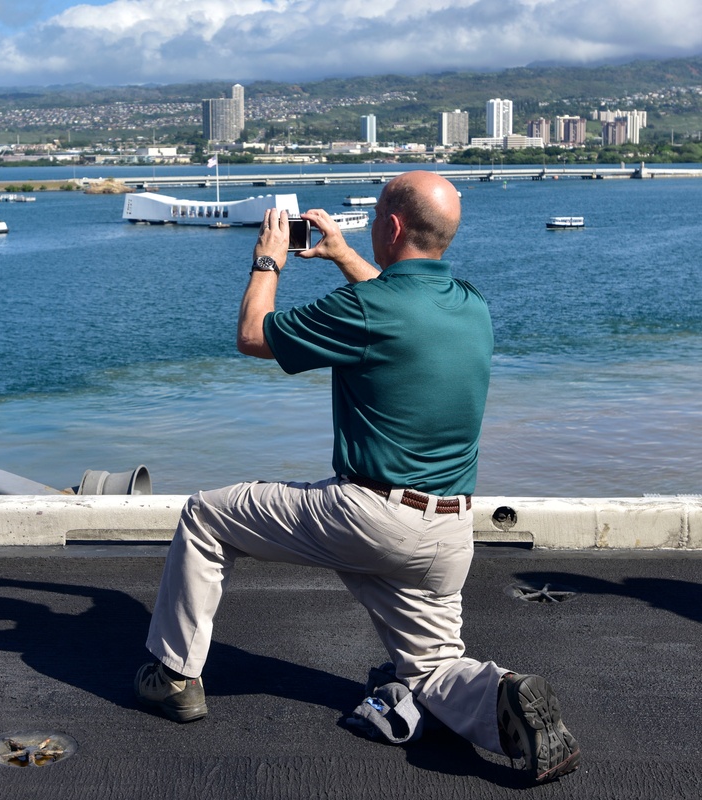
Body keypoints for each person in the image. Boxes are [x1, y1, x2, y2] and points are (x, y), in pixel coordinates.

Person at [133, 171, 580, 784]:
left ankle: (173, 674)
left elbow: (252, 335)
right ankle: (502, 694)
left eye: (372, 218)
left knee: (208, 515)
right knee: (429, 670)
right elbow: (395, 311)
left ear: (391, 227)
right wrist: (345, 255)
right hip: (449, 534)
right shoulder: (471, 306)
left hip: (369, 518)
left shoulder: (369, 309)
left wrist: (269, 258)